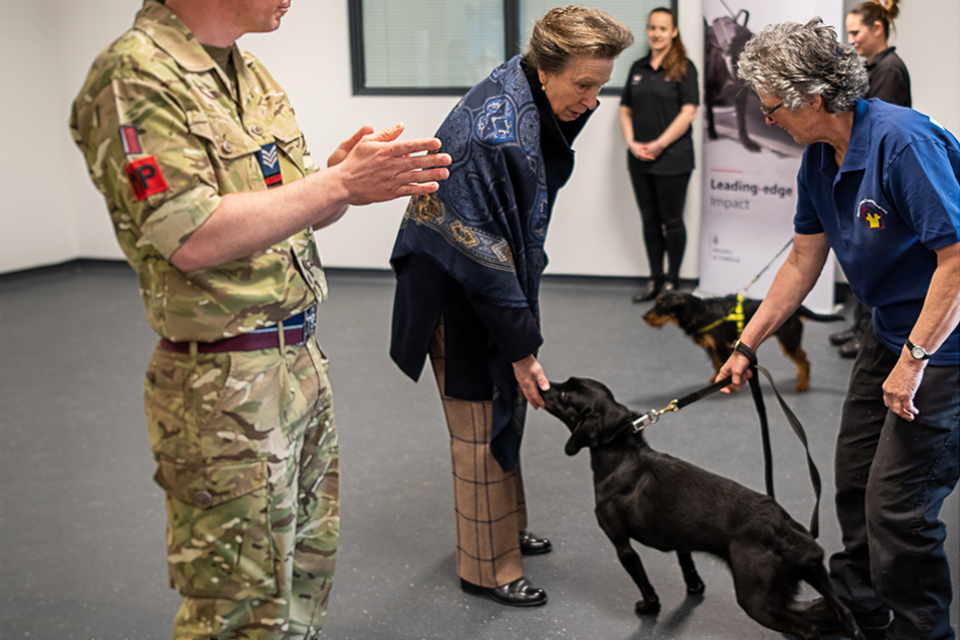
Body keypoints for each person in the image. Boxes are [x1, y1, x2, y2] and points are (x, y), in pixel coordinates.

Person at [69, 1, 451, 638]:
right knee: (236, 607)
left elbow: (289, 210)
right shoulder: (134, 76)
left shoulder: (251, 75)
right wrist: (335, 187)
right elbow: (190, 235)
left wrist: (336, 179)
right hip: (221, 385)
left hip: (296, 362)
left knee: (303, 578)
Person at [719, 18, 960, 640]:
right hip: (891, 332)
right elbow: (804, 258)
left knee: (898, 509)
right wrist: (749, 340)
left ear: (814, 98)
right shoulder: (820, 160)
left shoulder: (901, 143)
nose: (769, 121)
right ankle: (859, 607)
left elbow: (957, 261)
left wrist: (914, 360)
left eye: (773, 109)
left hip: (944, 345)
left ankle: (921, 631)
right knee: (853, 478)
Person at [388, 6, 633, 608]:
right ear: (546, 68)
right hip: (456, 283)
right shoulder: (495, 131)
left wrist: (520, 347)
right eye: (584, 86)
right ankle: (487, 565)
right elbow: (485, 255)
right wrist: (523, 348)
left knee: (506, 404)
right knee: (477, 420)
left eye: (601, 86)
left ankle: (503, 525)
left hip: (483, 273)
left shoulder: (524, 86)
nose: (592, 100)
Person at [833, 0, 912, 358]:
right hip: (862, 173)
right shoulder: (871, 67)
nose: (851, 40)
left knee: (875, 254)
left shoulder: (890, 70)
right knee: (861, 255)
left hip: (877, 180)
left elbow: (879, 130)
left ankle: (867, 334)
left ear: (877, 29)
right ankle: (857, 327)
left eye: (856, 32)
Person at [620, 7, 699, 303]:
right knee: (649, 221)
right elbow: (625, 108)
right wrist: (631, 143)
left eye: (663, 28)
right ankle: (654, 279)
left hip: (673, 158)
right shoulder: (638, 68)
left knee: (672, 221)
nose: (656, 33)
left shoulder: (684, 68)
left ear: (674, 32)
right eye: (652, 27)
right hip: (639, 157)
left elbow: (688, 111)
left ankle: (673, 283)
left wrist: (659, 144)